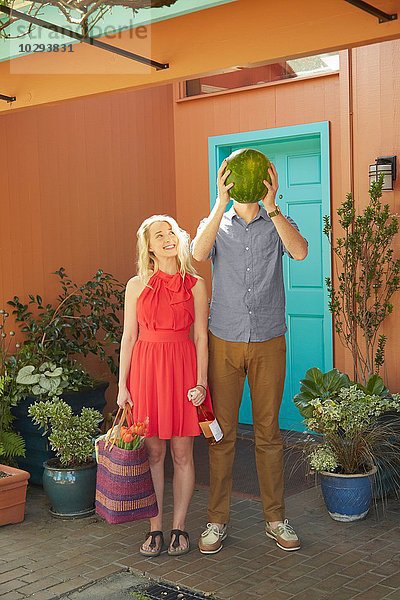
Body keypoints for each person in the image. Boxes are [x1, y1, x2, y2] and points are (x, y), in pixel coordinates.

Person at [191, 160, 308, 554]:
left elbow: (301, 252)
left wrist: (273, 206)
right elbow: (197, 254)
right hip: (224, 339)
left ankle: (276, 519)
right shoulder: (217, 223)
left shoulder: (278, 220)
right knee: (221, 435)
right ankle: (216, 521)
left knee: (268, 434)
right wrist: (218, 202)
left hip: (268, 340)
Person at [117, 214, 211, 557]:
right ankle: (155, 528)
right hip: (146, 370)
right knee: (154, 453)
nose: (168, 237)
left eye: (171, 231)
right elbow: (128, 337)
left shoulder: (195, 283)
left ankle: (179, 527)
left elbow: (201, 336)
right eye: (160, 234)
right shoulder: (136, 285)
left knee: (183, 453)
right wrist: (122, 385)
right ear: (150, 247)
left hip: (183, 368)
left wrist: (201, 381)